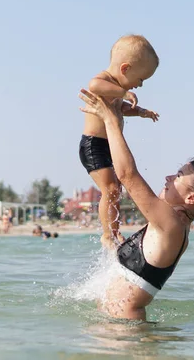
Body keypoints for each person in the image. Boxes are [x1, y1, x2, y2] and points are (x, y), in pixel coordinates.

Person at [78, 89, 194, 320]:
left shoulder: (171, 224)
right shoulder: (170, 226)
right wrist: (110, 238)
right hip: (120, 329)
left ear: (192, 198)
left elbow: (127, 174)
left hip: (126, 333)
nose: (168, 178)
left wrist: (111, 121)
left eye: (178, 176)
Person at [80, 34, 160, 247]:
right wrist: (124, 92)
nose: (140, 85)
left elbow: (119, 108)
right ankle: (108, 235)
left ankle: (114, 232)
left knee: (116, 189)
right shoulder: (104, 80)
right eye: (140, 79)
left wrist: (140, 112)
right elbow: (94, 85)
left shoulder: (115, 90)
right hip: (93, 145)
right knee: (110, 189)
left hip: (107, 146)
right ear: (125, 69)